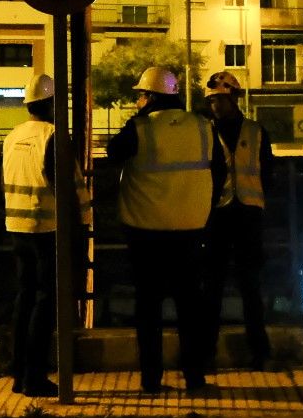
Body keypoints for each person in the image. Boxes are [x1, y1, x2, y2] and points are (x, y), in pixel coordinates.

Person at [106, 65, 224, 394]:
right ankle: (195, 378)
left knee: (149, 309)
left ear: (151, 96)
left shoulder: (140, 129)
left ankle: (151, 379)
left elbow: (112, 154)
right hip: (190, 231)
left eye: (141, 95)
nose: (139, 100)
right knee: (191, 308)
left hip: (145, 232)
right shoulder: (203, 127)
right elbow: (220, 171)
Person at [2, 73, 92, 398]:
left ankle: (18, 373)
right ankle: (35, 377)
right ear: (53, 103)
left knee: (24, 300)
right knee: (45, 303)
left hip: (18, 229)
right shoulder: (54, 137)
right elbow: (68, 188)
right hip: (48, 230)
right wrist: (82, 226)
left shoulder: (12, 136)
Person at [200, 71, 275, 370]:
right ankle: (206, 355)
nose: (214, 105)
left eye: (219, 99)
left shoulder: (256, 132)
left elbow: (267, 171)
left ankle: (260, 353)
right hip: (217, 215)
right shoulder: (205, 131)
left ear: (233, 98)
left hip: (247, 215)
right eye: (211, 100)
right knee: (212, 288)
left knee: (250, 287)